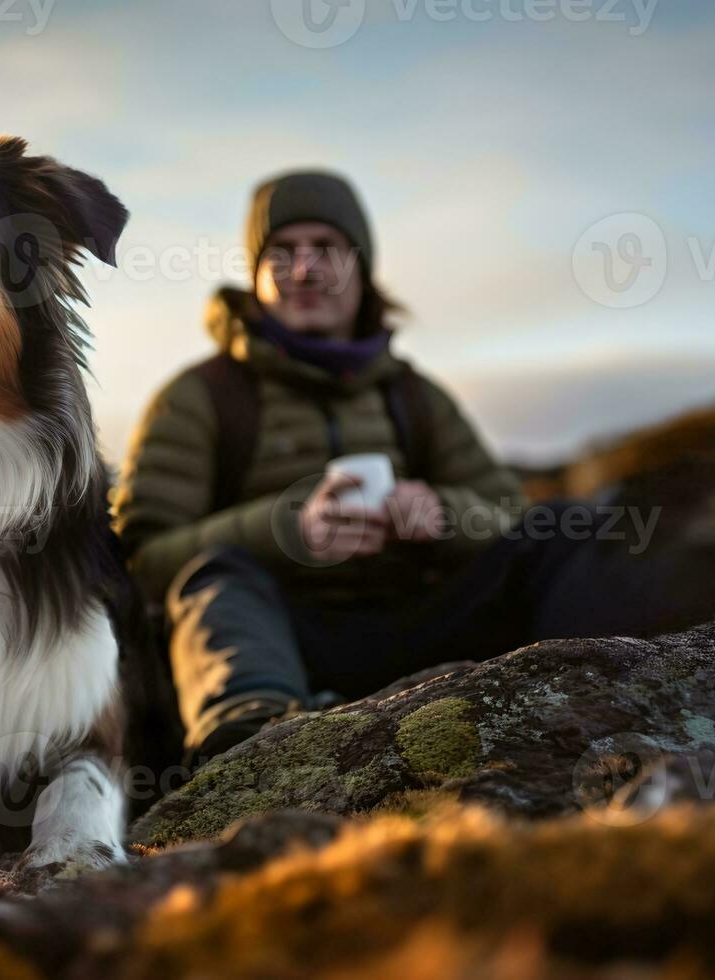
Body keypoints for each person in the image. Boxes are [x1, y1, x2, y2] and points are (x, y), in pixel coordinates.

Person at [111, 170, 659, 767]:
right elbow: (141, 563)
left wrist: (442, 515)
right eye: (282, 253)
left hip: (418, 625)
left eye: (327, 249)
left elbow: (507, 512)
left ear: (361, 266)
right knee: (217, 576)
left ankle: (610, 697)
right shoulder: (199, 396)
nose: (305, 269)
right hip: (283, 640)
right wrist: (289, 528)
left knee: (562, 529)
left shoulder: (416, 396)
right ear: (257, 276)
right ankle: (253, 757)